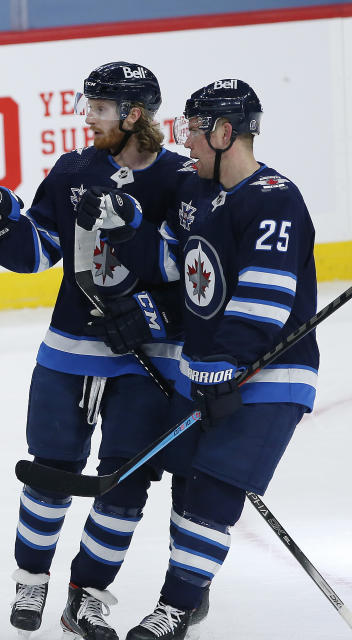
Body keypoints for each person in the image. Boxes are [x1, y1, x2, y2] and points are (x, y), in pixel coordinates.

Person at [0, 62, 194, 639]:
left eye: (100, 108)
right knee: (49, 469)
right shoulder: (73, 170)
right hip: (70, 347)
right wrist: (0, 226)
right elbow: (39, 250)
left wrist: (150, 312)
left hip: (148, 356)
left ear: (134, 115)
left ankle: (85, 595)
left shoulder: (181, 179)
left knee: (124, 482)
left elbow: (195, 267)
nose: (88, 117)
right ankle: (31, 578)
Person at [80, 80, 318, 640]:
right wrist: (128, 228)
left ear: (223, 132)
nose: (184, 139)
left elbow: (265, 295)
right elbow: (171, 263)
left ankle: (176, 608)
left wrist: (225, 363)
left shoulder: (275, 197)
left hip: (272, 373)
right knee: (187, 482)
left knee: (213, 490)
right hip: (207, 367)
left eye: (194, 127)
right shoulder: (195, 189)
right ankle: (188, 590)